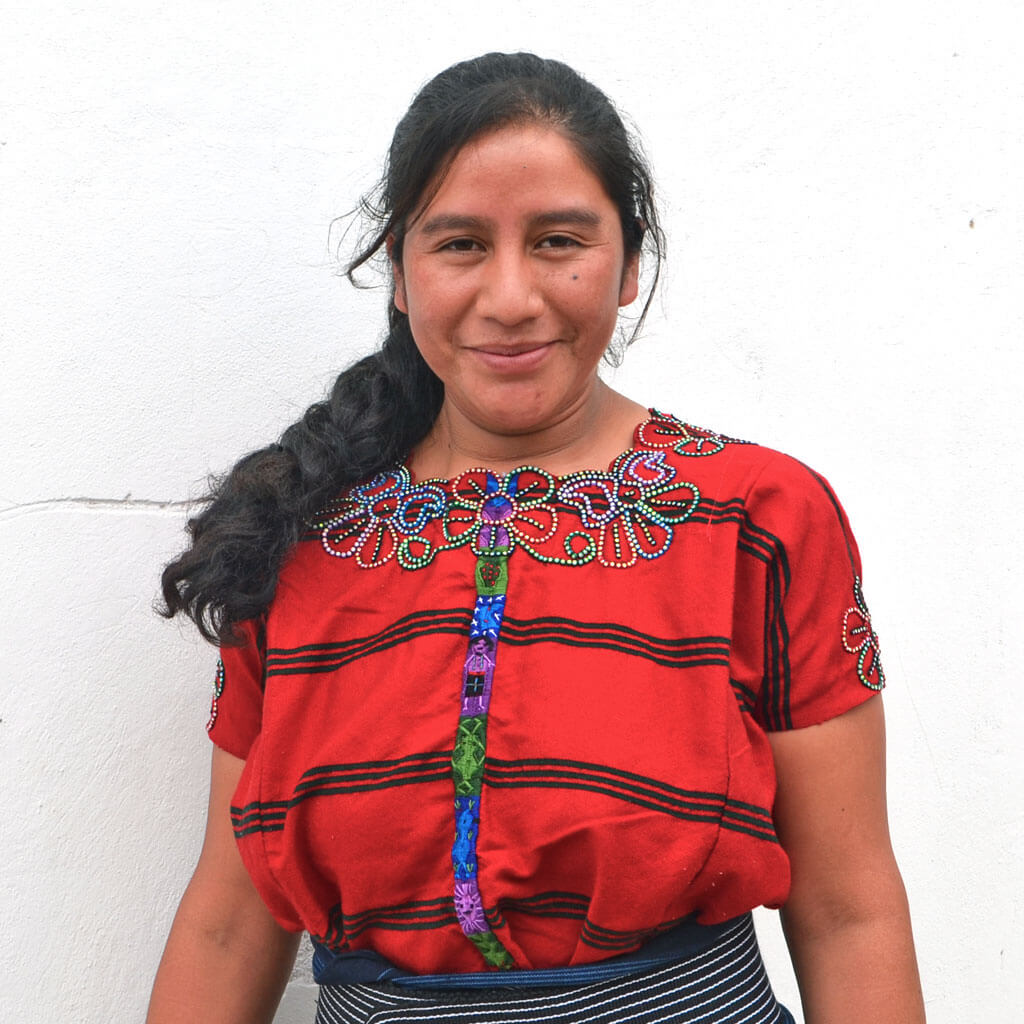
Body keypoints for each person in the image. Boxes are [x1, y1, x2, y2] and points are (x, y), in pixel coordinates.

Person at [147, 52, 924, 1024]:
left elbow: (848, 910)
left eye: (559, 241)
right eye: (460, 244)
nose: (511, 297)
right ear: (400, 270)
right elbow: (228, 922)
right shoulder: (297, 536)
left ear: (629, 263)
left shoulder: (755, 517)